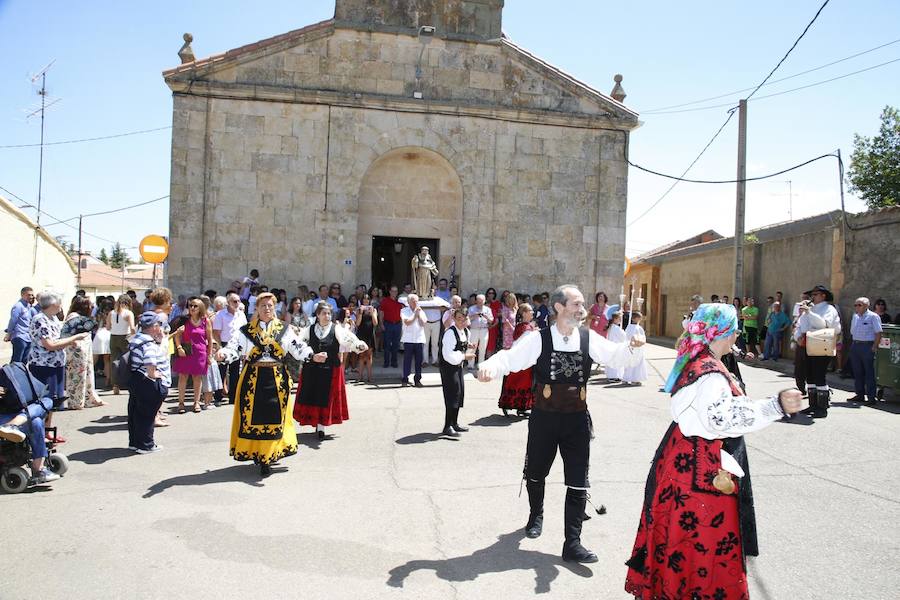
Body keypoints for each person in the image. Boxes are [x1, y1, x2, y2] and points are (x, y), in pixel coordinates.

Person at [624, 303, 802, 599]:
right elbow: (720, 419)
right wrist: (775, 406)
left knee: (681, 540)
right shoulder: (710, 373)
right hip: (698, 473)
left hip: (681, 461)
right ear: (724, 331)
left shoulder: (696, 361)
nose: (737, 335)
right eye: (734, 330)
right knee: (703, 542)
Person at [477, 285, 644, 563]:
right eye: (577, 304)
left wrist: (633, 348)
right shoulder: (538, 338)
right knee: (536, 472)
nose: (582, 309)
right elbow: (509, 357)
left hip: (577, 418)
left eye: (582, 305)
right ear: (559, 307)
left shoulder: (589, 338)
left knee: (579, 481)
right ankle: (536, 515)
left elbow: (617, 356)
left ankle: (573, 543)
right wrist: (489, 367)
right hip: (544, 418)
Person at [217, 292, 312, 475]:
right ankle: (259, 454)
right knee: (253, 418)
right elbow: (234, 347)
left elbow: (297, 346)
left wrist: (311, 355)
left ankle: (270, 454)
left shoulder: (284, 329)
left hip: (277, 378)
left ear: (274, 308)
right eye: (263, 306)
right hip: (253, 377)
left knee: (275, 418)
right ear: (257, 309)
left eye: (270, 305)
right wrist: (223, 355)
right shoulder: (246, 331)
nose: (267, 309)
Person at [293, 301, 368, 440]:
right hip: (313, 368)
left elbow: (348, 340)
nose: (327, 316)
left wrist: (359, 345)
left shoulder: (336, 329)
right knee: (313, 395)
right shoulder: (309, 329)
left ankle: (321, 425)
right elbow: (299, 343)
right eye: (324, 313)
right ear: (318, 315)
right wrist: (308, 354)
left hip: (331, 369)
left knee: (327, 397)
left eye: (329, 314)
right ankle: (317, 423)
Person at [30, 291, 89, 442]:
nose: (61, 306)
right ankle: (40, 433)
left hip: (55, 364)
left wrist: (70, 339)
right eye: (59, 303)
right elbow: (49, 345)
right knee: (43, 400)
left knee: (52, 400)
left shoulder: (53, 318)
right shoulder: (40, 319)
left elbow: (58, 337)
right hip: (43, 365)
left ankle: (47, 431)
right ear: (53, 304)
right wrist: (74, 338)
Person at [0, 365, 59, 484]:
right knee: (36, 421)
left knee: (47, 400)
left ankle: (17, 421)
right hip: (3, 417)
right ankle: (39, 469)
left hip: (12, 411)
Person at [127, 312, 171, 454]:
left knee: (136, 413)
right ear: (153, 327)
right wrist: (153, 374)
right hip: (148, 382)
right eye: (158, 325)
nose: (160, 327)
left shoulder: (137, 338)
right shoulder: (149, 343)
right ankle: (146, 445)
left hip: (137, 380)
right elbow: (150, 361)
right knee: (147, 415)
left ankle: (135, 442)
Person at [796, 285, 841, 419]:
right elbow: (801, 324)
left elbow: (824, 324)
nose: (812, 297)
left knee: (819, 374)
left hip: (822, 343)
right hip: (808, 342)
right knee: (809, 375)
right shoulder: (811, 309)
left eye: (815, 294)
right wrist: (797, 335)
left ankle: (822, 407)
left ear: (823, 296)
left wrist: (809, 312)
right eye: (812, 294)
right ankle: (813, 404)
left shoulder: (829, 309)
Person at [62, 296, 104, 409]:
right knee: (76, 376)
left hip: (84, 350)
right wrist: (74, 342)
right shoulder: (73, 316)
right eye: (89, 305)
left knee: (87, 374)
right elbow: (66, 332)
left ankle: (87, 398)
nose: (92, 307)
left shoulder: (82, 317)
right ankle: (76, 401)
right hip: (77, 351)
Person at [439, 308, 475, 437]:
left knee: (459, 394)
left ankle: (454, 423)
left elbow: (460, 344)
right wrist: (465, 357)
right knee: (451, 395)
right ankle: (447, 426)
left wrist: (469, 346)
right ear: (454, 318)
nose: (461, 321)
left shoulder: (465, 331)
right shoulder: (450, 333)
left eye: (463, 319)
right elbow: (448, 354)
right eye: (458, 318)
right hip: (448, 367)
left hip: (458, 367)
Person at [172, 297, 213, 413]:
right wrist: (179, 347)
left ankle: (196, 402)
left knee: (197, 378)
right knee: (183, 377)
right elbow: (177, 335)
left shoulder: (206, 321)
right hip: (185, 352)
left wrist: (209, 355)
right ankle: (181, 403)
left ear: (200, 308)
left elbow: (210, 339)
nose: (192, 308)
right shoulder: (183, 320)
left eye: (195, 306)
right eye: (190, 306)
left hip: (200, 353)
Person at [497, 303, 537, 417]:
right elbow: (523, 344)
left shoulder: (525, 326)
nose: (532, 312)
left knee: (523, 384)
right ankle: (515, 406)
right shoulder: (524, 327)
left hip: (525, 360)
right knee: (519, 383)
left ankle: (522, 407)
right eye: (530, 311)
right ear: (524, 313)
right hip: (522, 360)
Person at [213, 292, 247, 405]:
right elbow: (216, 333)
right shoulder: (220, 315)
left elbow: (244, 331)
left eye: (238, 301)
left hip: (237, 345)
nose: (237, 303)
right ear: (228, 302)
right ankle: (218, 396)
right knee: (221, 371)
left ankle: (233, 397)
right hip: (224, 343)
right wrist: (220, 348)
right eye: (234, 301)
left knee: (235, 372)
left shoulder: (241, 315)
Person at [848, 297, 883, 404]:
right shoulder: (855, 317)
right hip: (856, 345)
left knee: (869, 372)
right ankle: (860, 394)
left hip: (867, 346)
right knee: (857, 371)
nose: (857, 307)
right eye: (856, 305)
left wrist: (874, 347)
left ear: (867, 306)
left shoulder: (873, 317)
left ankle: (871, 397)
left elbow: (878, 333)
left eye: (860, 305)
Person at [108, 294, 136, 395]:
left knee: (114, 361)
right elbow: (132, 328)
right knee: (127, 361)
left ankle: (115, 385)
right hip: (125, 337)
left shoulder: (111, 313)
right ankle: (128, 383)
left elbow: (108, 327)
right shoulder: (128, 313)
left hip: (113, 337)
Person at [4, 286, 37, 363]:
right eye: (28, 295)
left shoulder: (29, 306)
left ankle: (21, 374)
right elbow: (13, 320)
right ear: (22, 295)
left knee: (24, 361)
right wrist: (9, 333)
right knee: (16, 360)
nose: (31, 297)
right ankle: (11, 375)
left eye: (32, 295)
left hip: (28, 337)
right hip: (19, 337)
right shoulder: (18, 306)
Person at [401, 294, 427, 387]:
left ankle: (417, 380)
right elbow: (407, 322)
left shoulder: (421, 311)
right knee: (407, 360)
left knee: (418, 361)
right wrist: (415, 315)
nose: (415, 303)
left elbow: (423, 323)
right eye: (413, 301)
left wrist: (418, 314)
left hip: (419, 339)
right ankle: (405, 379)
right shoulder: (404, 311)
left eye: (416, 301)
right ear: (408, 302)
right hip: (408, 339)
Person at [467, 294, 494, 369]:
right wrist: (475, 315)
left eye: (481, 301)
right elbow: (467, 319)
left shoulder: (488, 309)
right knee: (472, 348)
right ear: (476, 301)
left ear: (484, 301)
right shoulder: (471, 309)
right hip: (474, 330)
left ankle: (481, 365)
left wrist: (486, 316)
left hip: (484, 330)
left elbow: (491, 321)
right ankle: (470, 365)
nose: (480, 303)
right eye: (478, 301)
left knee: (482, 348)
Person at [355, 294, 378, 383]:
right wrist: (361, 313)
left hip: (369, 335)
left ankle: (370, 377)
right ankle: (360, 377)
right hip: (361, 334)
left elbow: (375, 323)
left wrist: (372, 313)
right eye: (364, 299)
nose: (366, 300)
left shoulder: (374, 310)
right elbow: (357, 323)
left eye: (367, 299)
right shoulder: (359, 310)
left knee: (369, 357)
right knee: (361, 356)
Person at [380, 286, 404, 369]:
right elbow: (381, 312)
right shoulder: (385, 301)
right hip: (388, 324)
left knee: (396, 345)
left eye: (396, 291)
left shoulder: (400, 302)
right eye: (393, 291)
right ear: (390, 292)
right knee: (386, 344)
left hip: (397, 324)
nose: (394, 293)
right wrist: (381, 324)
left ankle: (394, 362)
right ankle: (386, 362)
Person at [622, 312, 648, 386]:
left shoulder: (629, 327)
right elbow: (641, 338)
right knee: (635, 364)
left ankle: (626, 378)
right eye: (639, 317)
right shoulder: (637, 328)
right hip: (636, 348)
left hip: (631, 347)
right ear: (634, 319)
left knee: (629, 364)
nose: (640, 319)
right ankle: (634, 379)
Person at [605, 312, 626, 383]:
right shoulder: (616, 328)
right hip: (615, 347)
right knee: (615, 362)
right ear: (615, 319)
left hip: (611, 347)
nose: (620, 320)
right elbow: (623, 337)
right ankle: (614, 376)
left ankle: (612, 376)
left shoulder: (611, 327)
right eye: (619, 318)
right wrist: (623, 331)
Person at [487, 289, 503, 356]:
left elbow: (500, 313)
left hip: (494, 326)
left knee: (492, 343)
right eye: (489, 293)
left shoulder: (497, 303)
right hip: (486, 326)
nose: (491, 294)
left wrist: (493, 313)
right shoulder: (485, 303)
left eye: (492, 293)